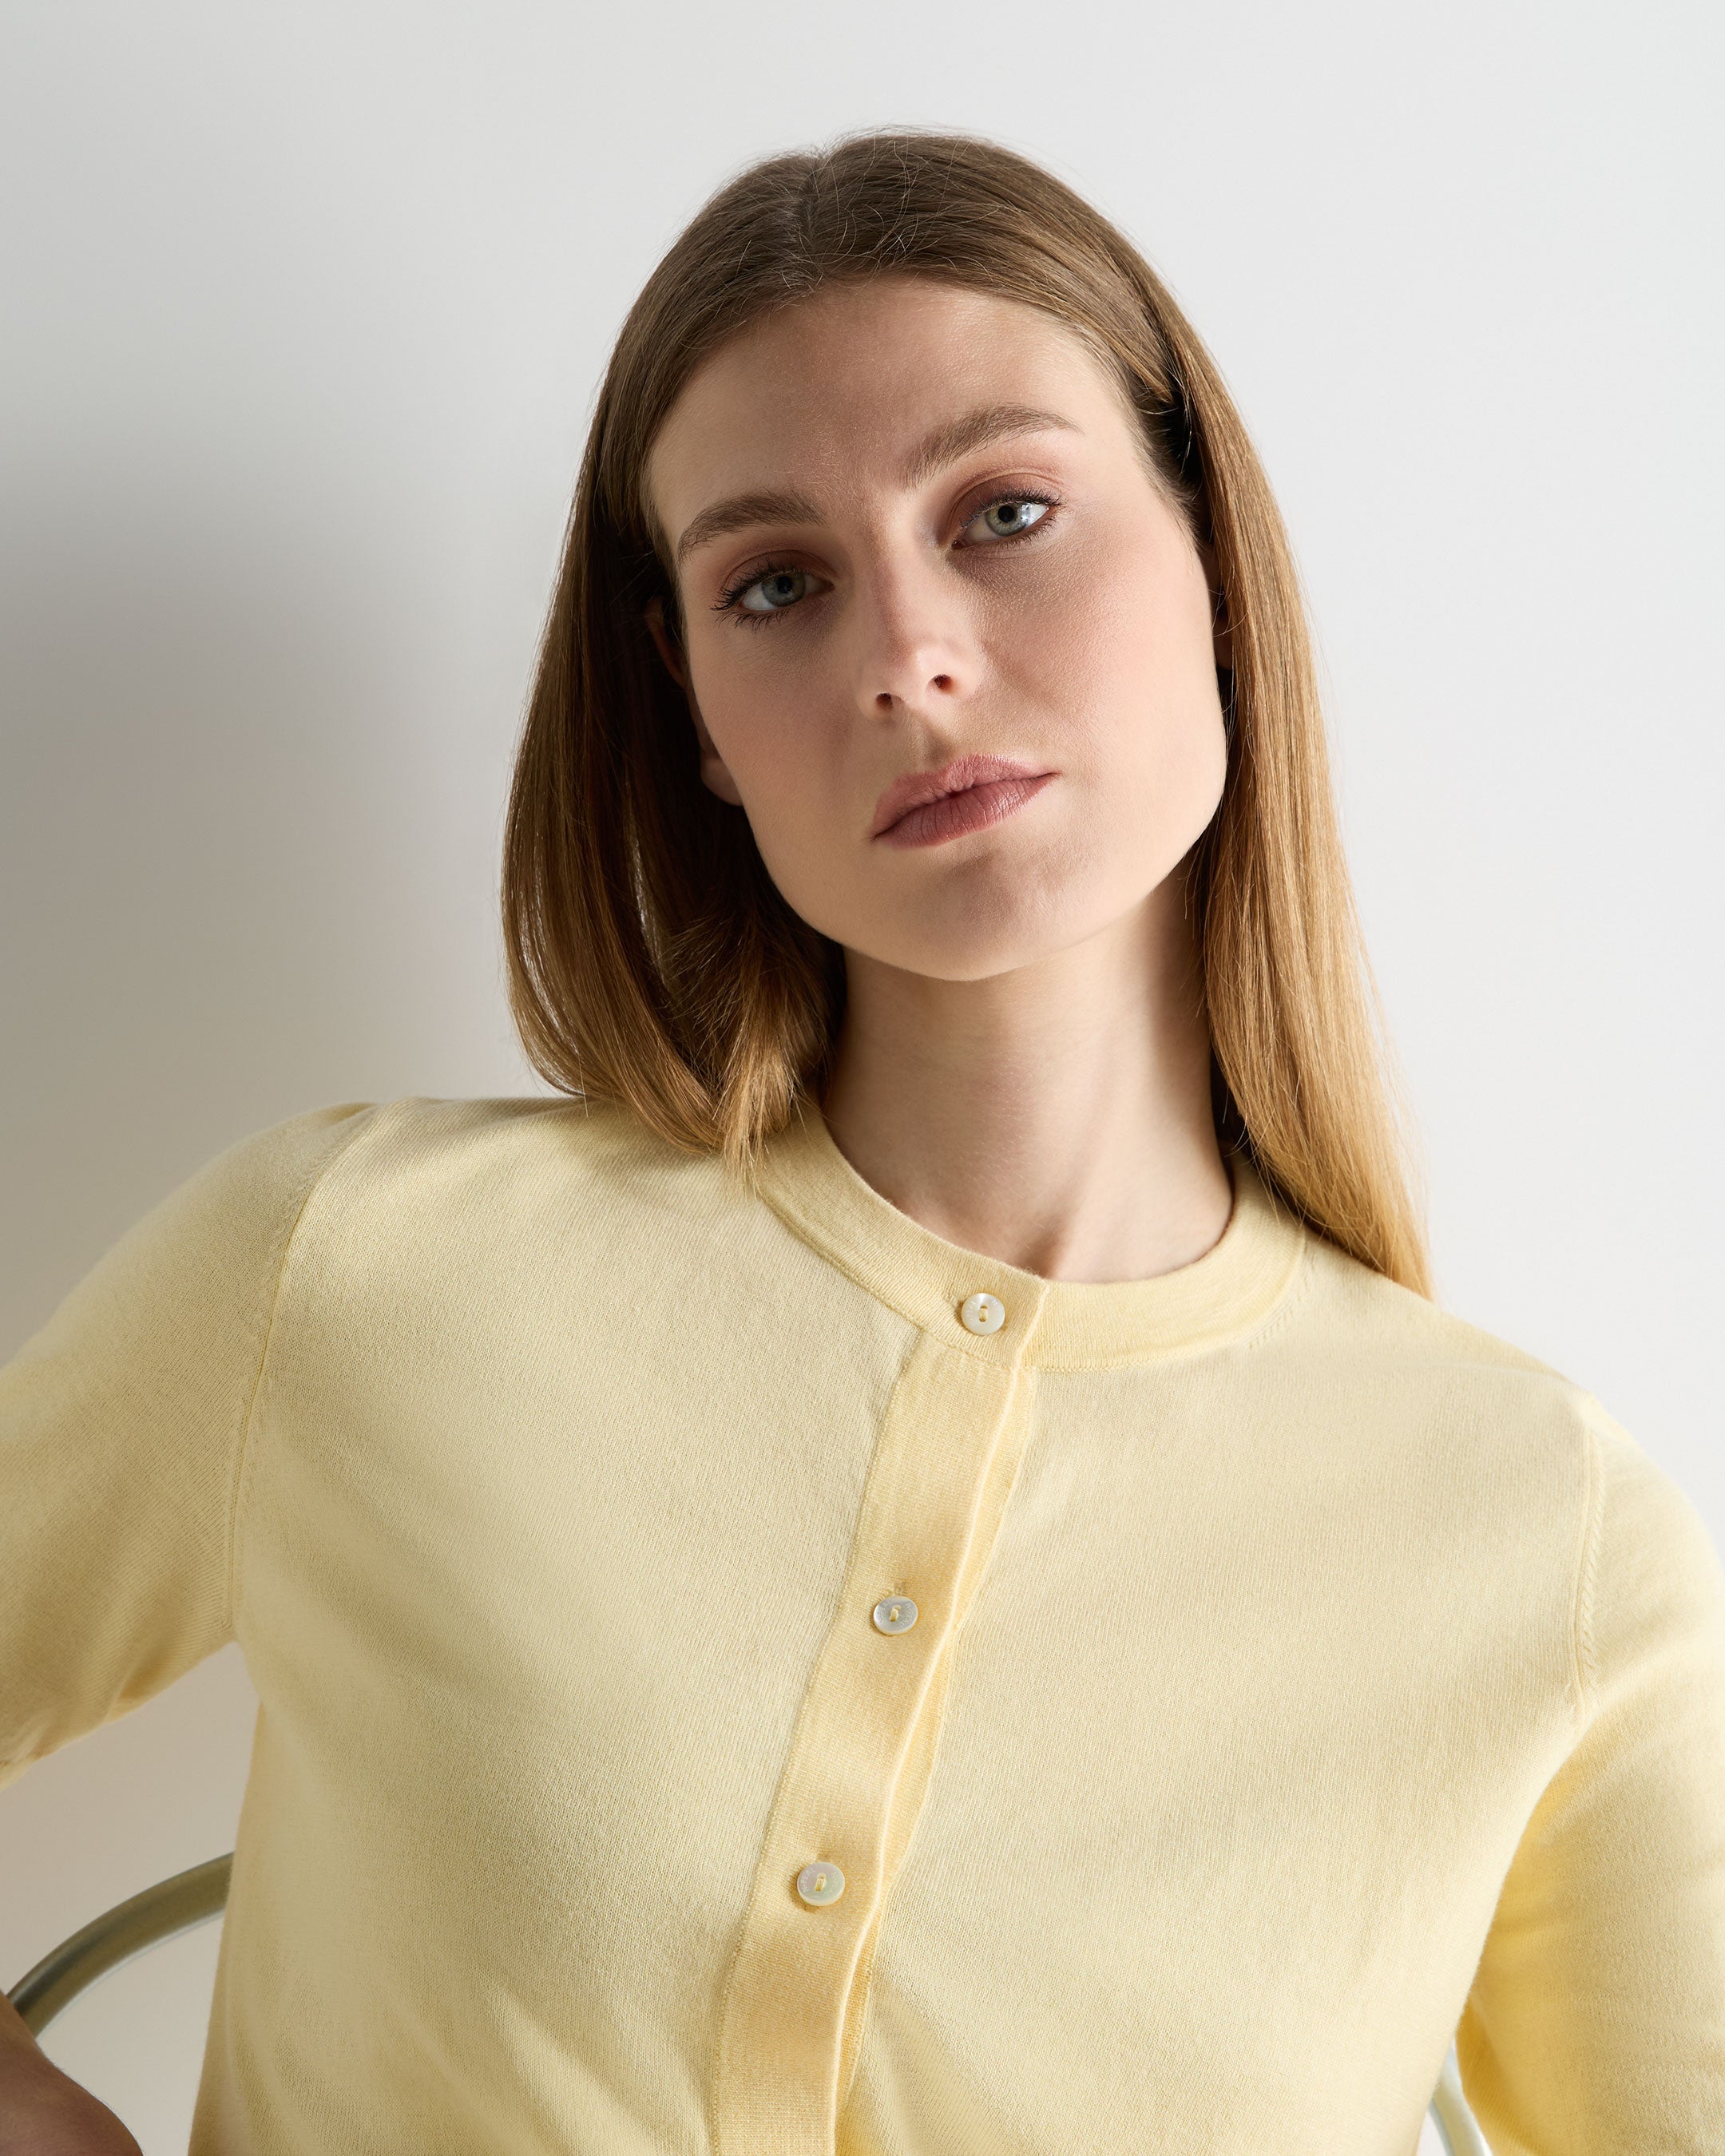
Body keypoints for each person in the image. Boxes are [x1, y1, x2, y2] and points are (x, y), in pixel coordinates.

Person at [2, 129, 1721, 2156]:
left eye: (1004, 513)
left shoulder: (1546, 1534)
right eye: (778, 584)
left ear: (1214, 563)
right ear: (697, 718)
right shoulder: (356, 1266)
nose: (907, 655)